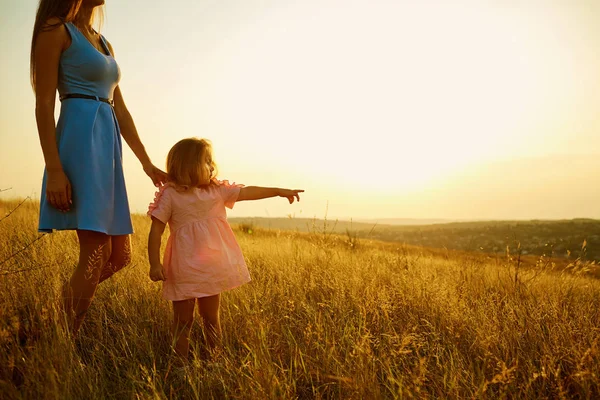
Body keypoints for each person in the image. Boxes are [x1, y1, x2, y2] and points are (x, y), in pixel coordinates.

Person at [31, 0, 167, 335]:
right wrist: (55, 169)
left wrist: (147, 163)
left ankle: (50, 320)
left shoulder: (102, 41)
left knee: (120, 255)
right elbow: (44, 103)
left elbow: (119, 108)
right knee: (96, 249)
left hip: (108, 146)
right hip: (79, 141)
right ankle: (60, 338)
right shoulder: (55, 30)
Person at [147, 138, 303, 359]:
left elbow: (248, 192)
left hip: (212, 265)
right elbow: (156, 231)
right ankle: (180, 365)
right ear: (188, 165)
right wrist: (154, 263)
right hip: (183, 268)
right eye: (206, 161)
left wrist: (278, 191)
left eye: (211, 161)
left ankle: (215, 359)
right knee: (183, 321)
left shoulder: (217, 190)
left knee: (211, 317)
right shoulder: (171, 195)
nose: (212, 166)